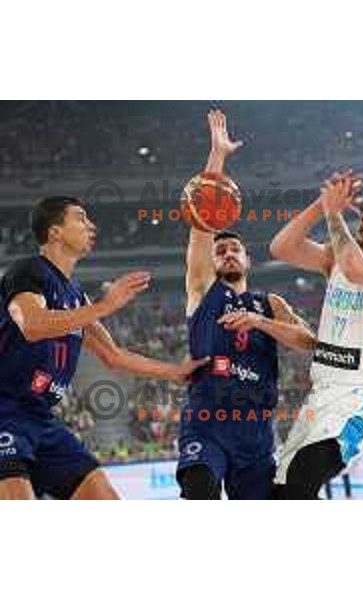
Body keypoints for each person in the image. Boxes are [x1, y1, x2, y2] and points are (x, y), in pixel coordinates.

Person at [0, 196, 205, 500]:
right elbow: (32, 324)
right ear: (55, 231)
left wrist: (175, 372)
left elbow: (113, 355)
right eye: (81, 218)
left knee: (105, 498)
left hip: (41, 417)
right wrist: (105, 306)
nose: (91, 225)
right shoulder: (28, 271)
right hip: (5, 409)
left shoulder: (76, 296)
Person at [176, 110, 316, 500]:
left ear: (248, 260)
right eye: (220, 250)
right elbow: (201, 220)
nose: (227, 253)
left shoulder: (270, 303)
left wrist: (260, 322)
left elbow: (308, 341)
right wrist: (217, 156)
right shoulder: (203, 289)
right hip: (207, 423)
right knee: (199, 491)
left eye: (235, 248)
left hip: (256, 432)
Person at [270, 171, 363, 499]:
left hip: (361, 396)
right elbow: (281, 247)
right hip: (321, 393)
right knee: (281, 491)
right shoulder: (335, 258)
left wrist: (335, 213)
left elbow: (356, 270)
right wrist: (322, 206)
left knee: (303, 476)